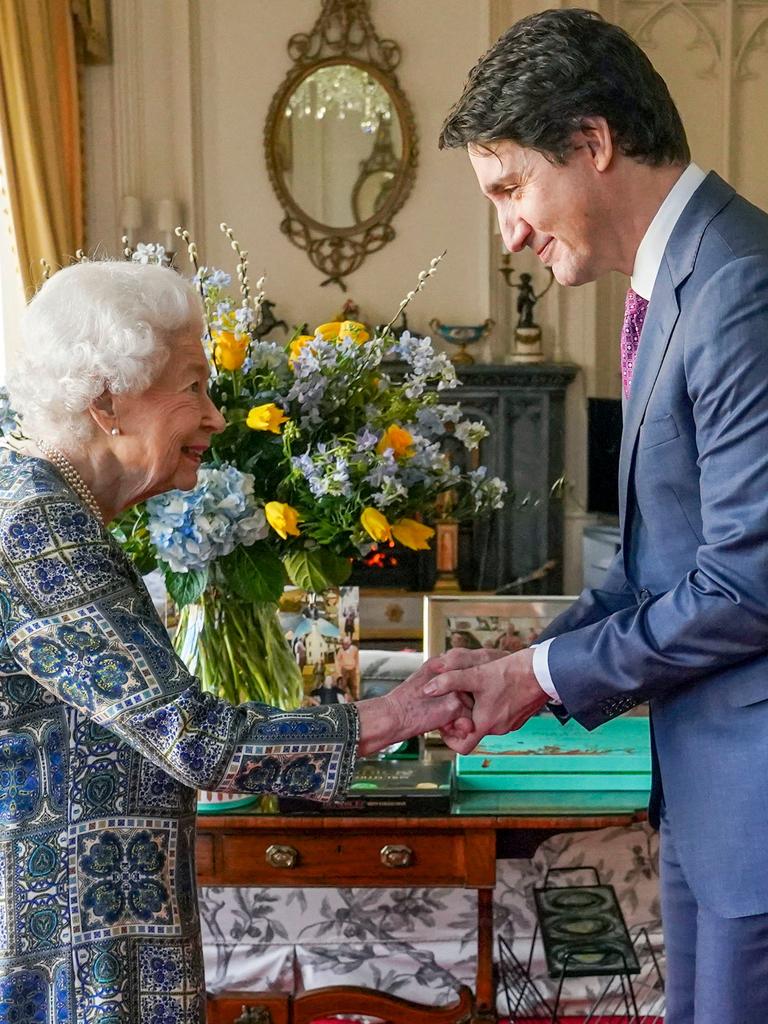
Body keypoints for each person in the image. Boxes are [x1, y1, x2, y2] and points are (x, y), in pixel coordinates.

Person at [0, 260, 471, 1023]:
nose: (217, 416)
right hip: (72, 952)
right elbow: (195, 738)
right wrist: (399, 714)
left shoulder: (48, 504)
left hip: (90, 927)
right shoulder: (37, 528)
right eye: (193, 387)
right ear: (106, 403)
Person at [426, 10, 768, 1022]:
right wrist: (512, 666)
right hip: (711, 802)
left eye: (510, 189)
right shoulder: (676, 289)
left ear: (592, 143)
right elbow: (652, 570)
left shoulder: (742, 285)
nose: (510, 232)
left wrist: (532, 677)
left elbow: (748, 586)